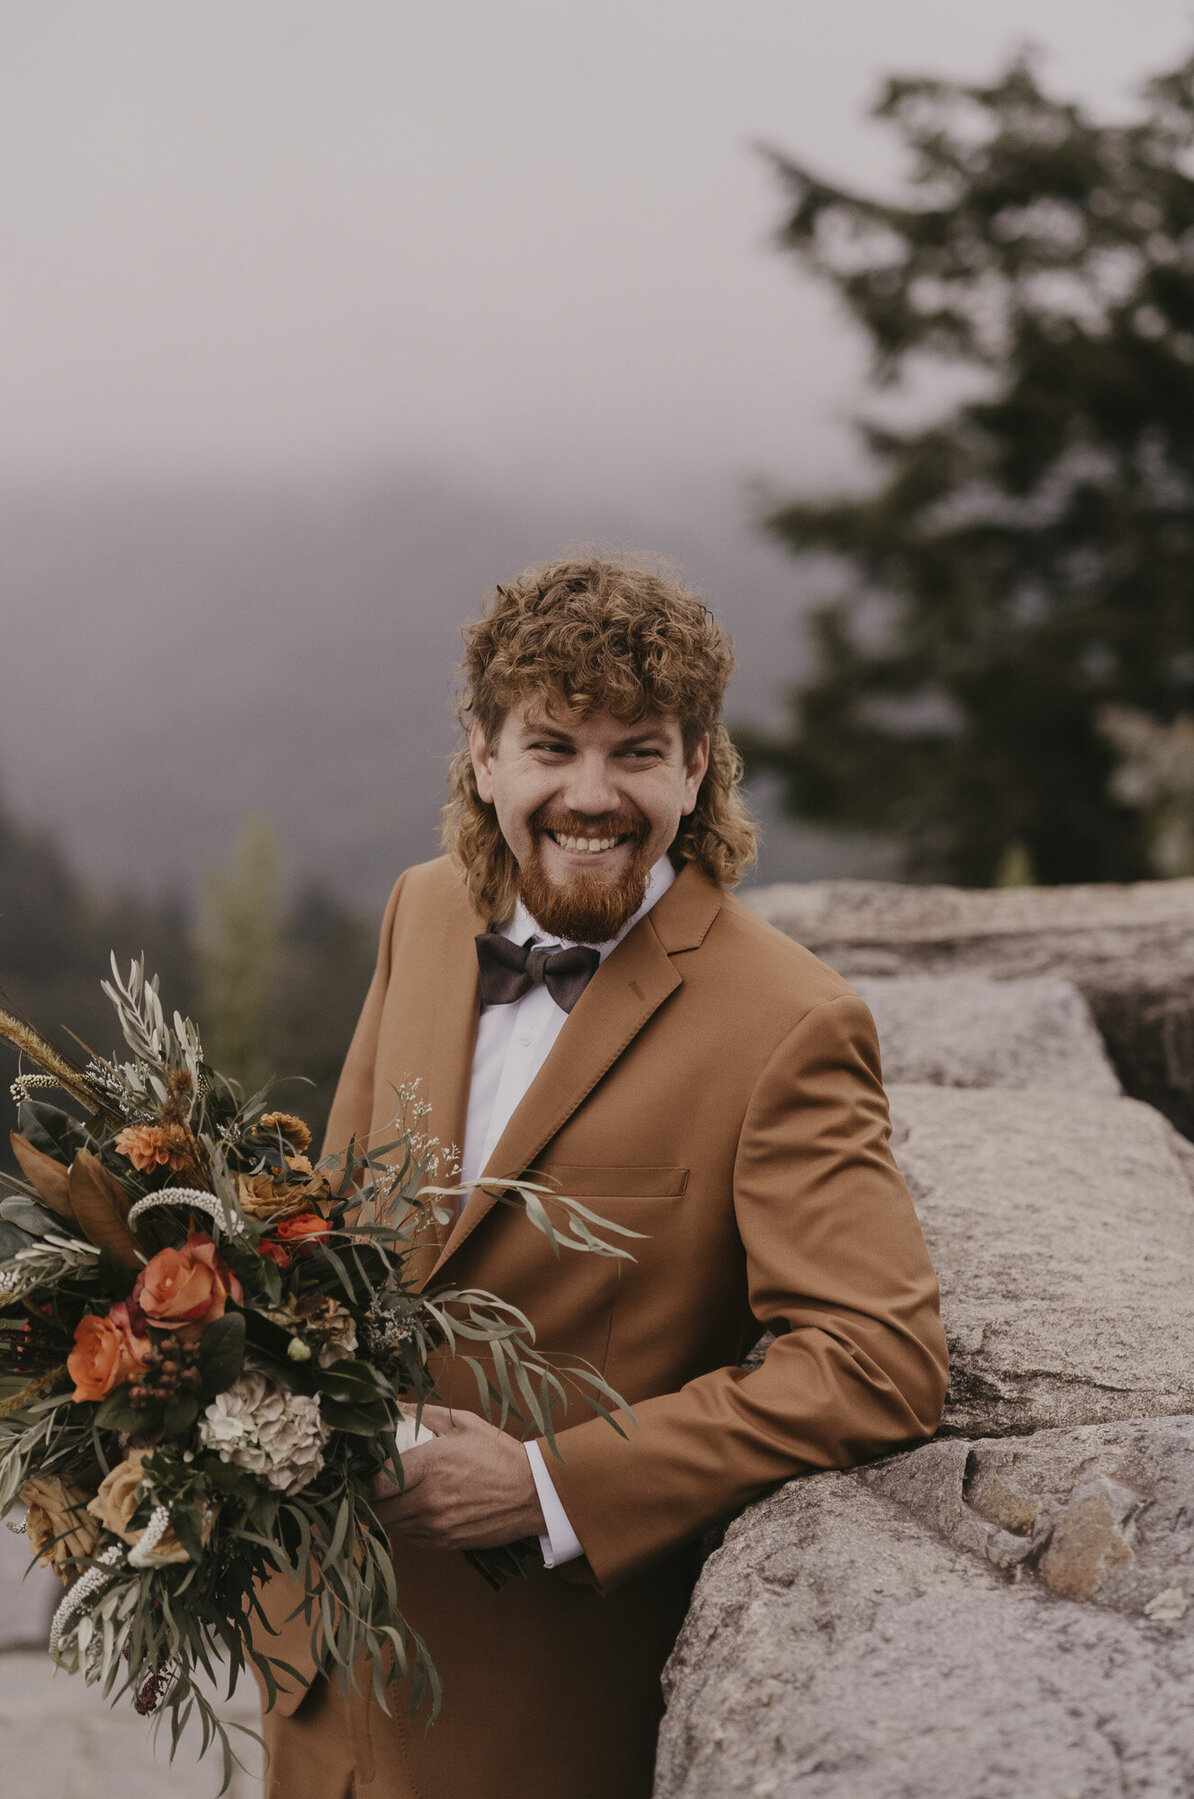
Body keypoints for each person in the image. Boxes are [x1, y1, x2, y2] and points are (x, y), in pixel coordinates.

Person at [255, 556, 948, 1799]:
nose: (590, 793)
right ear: (483, 754)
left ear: (698, 768)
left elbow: (875, 1359)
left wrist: (542, 1482)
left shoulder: (791, 1021)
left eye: (636, 751)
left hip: (543, 1709)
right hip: (321, 1667)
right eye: (552, 744)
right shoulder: (420, 913)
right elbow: (332, 1227)